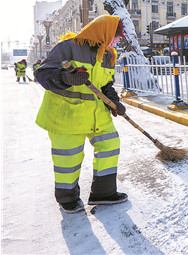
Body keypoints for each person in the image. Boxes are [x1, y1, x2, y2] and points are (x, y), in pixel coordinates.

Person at [34, 15, 128, 214]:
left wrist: (114, 102)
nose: (117, 41)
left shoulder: (109, 54)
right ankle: (67, 198)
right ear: (104, 32)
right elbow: (42, 74)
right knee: (68, 158)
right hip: (67, 115)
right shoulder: (69, 46)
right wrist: (65, 77)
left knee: (110, 145)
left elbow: (105, 85)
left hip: (98, 115)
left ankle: (104, 193)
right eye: (116, 36)